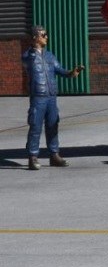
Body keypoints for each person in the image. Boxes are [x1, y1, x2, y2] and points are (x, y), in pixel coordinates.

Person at [21, 25, 84, 170]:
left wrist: (71, 72)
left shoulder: (50, 56)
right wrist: (33, 48)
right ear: (35, 37)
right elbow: (26, 60)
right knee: (35, 127)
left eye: (46, 34)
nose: (46, 37)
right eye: (43, 34)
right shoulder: (28, 56)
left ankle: (54, 155)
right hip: (38, 97)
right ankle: (32, 157)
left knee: (52, 125)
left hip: (51, 97)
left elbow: (60, 70)